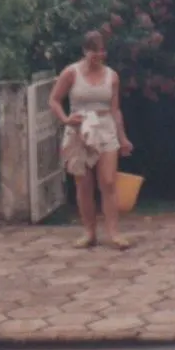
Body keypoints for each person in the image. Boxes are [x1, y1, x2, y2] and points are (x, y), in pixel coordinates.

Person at [49, 30, 134, 250]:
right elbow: (54, 100)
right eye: (94, 51)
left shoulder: (112, 76)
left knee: (108, 181)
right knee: (84, 184)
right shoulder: (71, 73)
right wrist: (66, 119)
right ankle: (89, 232)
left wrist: (123, 138)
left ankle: (114, 232)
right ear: (85, 51)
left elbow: (115, 111)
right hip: (80, 130)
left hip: (105, 128)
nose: (98, 55)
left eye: (102, 51)